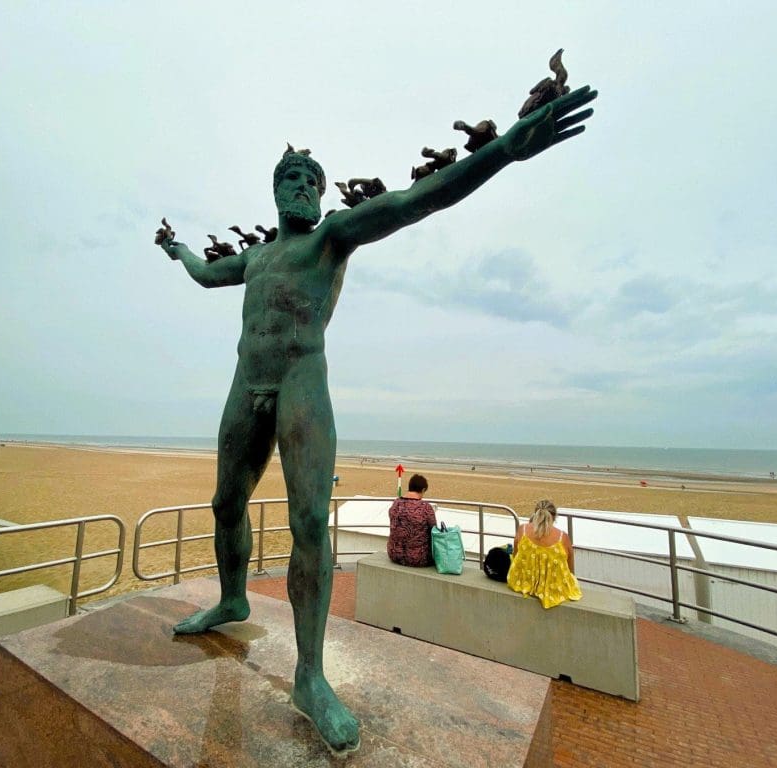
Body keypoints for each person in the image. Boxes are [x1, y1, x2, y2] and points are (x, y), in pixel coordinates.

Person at [155, 86, 597, 755]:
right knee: (225, 505)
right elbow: (201, 273)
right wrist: (176, 249)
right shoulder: (256, 260)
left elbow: (415, 201)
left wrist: (505, 150)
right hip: (246, 382)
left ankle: (309, 675)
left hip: (303, 377)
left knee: (308, 521)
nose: (304, 188)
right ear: (275, 192)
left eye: (312, 180)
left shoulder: (331, 237)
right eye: (292, 179)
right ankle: (232, 600)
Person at [506, 499, 581, 609]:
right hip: (554, 590)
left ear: (535, 514)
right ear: (554, 517)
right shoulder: (562, 537)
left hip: (522, 583)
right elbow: (570, 569)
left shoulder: (523, 530)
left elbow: (515, 556)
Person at [387, 474, 436, 567]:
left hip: (394, 554)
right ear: (423, 490)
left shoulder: (396, 503)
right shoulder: (425, 507)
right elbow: (434, 530)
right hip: (418, 558)